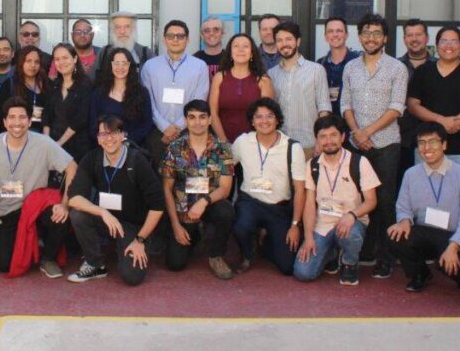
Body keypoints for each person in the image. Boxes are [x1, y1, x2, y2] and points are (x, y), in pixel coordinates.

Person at [340, 13, 409, 278]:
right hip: (356, 145)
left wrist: (366, 132)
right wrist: (357, 133)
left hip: (386, 144)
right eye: (366, 32)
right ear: (360, 36)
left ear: (385, 38)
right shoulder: (350, 67)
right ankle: (364, 250)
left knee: (385, 200)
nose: (371, 38)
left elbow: (397, 107)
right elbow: (345, 104)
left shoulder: (396, 68)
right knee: (358, 198)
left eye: (377, 33)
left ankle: (386, 256)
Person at [0, 97, 77, 276]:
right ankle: (33, 242)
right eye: (12, 117)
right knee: (4, 265)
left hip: (36, 206)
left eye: (22, 117)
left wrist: (65, 204)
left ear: (30, 121)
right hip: (6, 209)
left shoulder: (43, 143)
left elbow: (72, 167)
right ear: (4, 122)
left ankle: (48, 258)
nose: (17, 123)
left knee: (61, 216)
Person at [66, 114, 165, 285]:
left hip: (133, 226)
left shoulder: (137, 160)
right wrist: (102, 212)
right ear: (98, 139)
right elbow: (73, 198)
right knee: (78, 215)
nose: (109, 138)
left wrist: (140, 239)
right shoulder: (92, 158)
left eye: (114, 133)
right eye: (103, 134)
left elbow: (158, 205)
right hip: (107, 219)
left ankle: (142, 243)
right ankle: (95, 264)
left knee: (132, 277)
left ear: (123, 135)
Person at [388, 122, 460, 293]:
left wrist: (454, 246)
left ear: (444, 145)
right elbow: (403, 207)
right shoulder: (411, 174)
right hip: (424, 231)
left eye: (433, 142)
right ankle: (420, 274)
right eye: (422, 142)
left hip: (452, 235)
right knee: (395, 235)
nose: (427, 148)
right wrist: (404, 220)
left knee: (456, 269)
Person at [294, 115, 379, 286]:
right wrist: (308, 237)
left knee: (351, 234)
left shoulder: (359, 162)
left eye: (333, 135)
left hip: (350, 222)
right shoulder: (312, 165)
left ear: (343, 137)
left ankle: (349, 263)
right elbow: (309, 205)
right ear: (317, 140)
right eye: (323, 137)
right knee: (303, 273)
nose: (328, 141)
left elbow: (371, 201)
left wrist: (351, 215)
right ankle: (331, 254)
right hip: (322, 224)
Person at [160, 100, 236, 280]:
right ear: (186, 121)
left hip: (210, 204)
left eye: (202, 117)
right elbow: (167, 189)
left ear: (210, 120)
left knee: (226, 211)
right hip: (183, 208)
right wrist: (176, 225)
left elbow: (225, 188)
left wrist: (204, 202)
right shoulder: (174, 148)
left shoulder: (222, 148)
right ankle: (195, 235)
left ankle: (216, 255)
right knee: (175, 264)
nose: (197, 122)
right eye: (192, 117)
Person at [231, 97, 305, 276]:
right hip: (250, 202)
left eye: (269, 116)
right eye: (258, 117)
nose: (264, 121)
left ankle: (266, 241)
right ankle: (247, 253)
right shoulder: (242, 142)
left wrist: (295, 225)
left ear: (277, 119)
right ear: (252, 121)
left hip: (279, 207)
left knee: (287, 267)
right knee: (241, 226)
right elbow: (226, 168)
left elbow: (300, 190)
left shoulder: (292, 147)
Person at [406, 26, 460, 178]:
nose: (448, 45)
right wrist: (441, 122)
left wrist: (451, 123)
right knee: (426, 190)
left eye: (454, 41)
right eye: (444, 41)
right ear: (437, 45)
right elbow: (412, 105)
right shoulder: (423, 71)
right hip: (427, 147)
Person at [140, 20, 210, 167]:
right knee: (157, 176)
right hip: (157, 134)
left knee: (187, 175)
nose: (175, 40)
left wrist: (177, 127)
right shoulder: (150, 66)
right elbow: (147, 101)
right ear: (164, 39)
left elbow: (199, 101)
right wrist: (165, 127)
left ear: (188, 39)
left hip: (188, 132)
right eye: (171, 36)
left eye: (180, 36)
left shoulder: (199, 66)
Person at [267, 21, 330, 159]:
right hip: (280, 145)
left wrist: (321, 141)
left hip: (309, 145)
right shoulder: (272, 74)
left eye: (289, 39)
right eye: (279, 40)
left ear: (298, 41)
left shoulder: (316, 70)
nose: (284, 44)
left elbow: (324, 109)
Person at [208, 33, 275, 144]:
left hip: (254, 143)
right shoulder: (219, 77)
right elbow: (213, 112)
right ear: (230, 53)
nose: (241, 50)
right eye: (236, 46)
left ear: (252, 53)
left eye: (245, 46)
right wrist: (224, 142)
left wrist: (252, 143)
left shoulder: (263, 80)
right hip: (223, 142)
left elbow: (266, 116)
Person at [89, 48, 153, 150]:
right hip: (105, 148)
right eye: (116, 63)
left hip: (133, 149)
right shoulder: (98, 93)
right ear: (110, 66)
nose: (120, 67)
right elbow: (93, 125)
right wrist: (108, 141)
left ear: (130, 66)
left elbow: (147, 124)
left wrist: (125, 139)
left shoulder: (142, 93)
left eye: (124, 63)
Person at [397, 19, 434, 186]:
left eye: (418, 34)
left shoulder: (439, 65)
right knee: (402, 185)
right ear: (404, 39)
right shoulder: (395, 66)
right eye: (409, 35)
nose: (414, 39)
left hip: (432, 136)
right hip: (402, 138)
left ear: (427, 38)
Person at [45, 44, 95, 161]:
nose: (61, 62)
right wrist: (47, 140)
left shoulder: (86, 85)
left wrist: (59, 143)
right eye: (57, 59)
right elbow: (46, 114)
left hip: (77, 147)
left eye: (65, 58)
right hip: (53, 145)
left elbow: (81, 119)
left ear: (75, 59)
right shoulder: (54, 85)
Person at [0, 45, 51, 134]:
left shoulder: (48, 84)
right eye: (28, 61)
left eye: (37, 62)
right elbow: (1, 114)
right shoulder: (10, 84)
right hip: (16, 134)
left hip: (42, 135)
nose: (33, 65)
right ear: (21, 62)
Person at [317, 16, 360, 115]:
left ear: (346, 35)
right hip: (327, 120)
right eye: (330, 31)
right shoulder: (319, 65)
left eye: (339, 31)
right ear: (325, 36)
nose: (335, 35)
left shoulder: (358, 62)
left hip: (354, 120)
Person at [94, 11, 154, 76]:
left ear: (134, 28)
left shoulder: (146, 53)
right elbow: (94, 78)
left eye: (127, 27)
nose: (122, 32)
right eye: (118, 27)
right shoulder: (104, 52)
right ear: (113, 30)